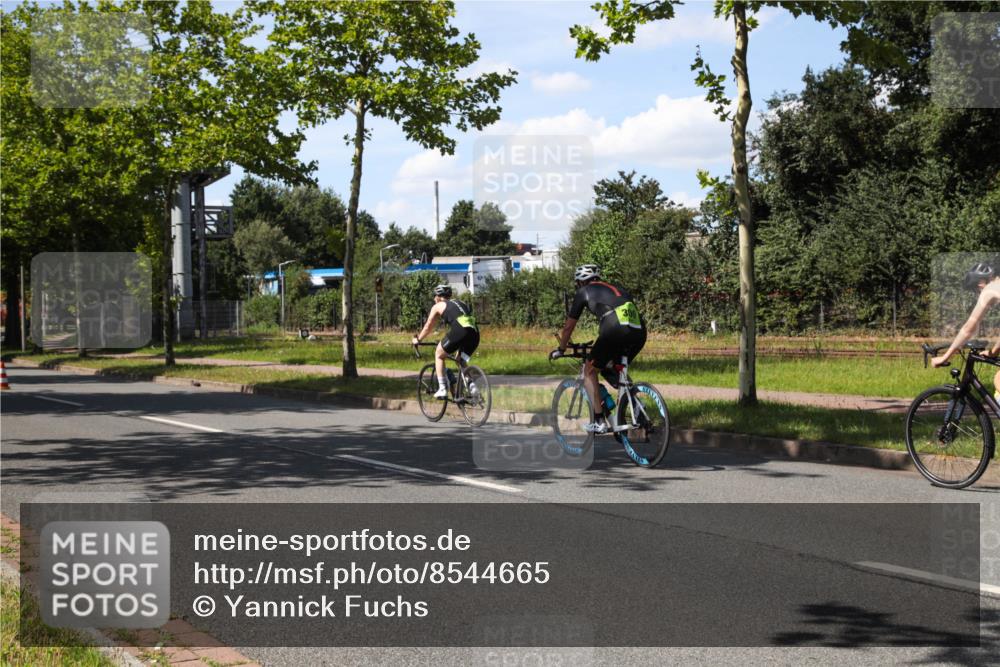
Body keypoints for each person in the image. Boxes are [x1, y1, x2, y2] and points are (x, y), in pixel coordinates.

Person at [552, 264, 647, 433]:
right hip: (639, 331)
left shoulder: (584, 292)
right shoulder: (618, 289)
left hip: (614, 328)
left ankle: (599, 420)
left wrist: (561, 348)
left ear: (581, 282)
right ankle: (635, 404)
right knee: (611, 367)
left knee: (589, 370)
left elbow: (569, 327)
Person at [932, 262, 1000, 399]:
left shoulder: (990, 289)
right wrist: (994, 352)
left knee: (999, 382)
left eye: (976, 290)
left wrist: (945, 357)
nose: (978, 293)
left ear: (981, 283)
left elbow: (969, 328)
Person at [412, 284, 480, 399]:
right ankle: (472, 387)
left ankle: (442, 388)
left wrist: (418, 339)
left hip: (460, 331)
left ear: (438, 296)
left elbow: (429, 326)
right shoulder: (461, 302)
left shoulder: (438, 306)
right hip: (475, 334)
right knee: (460, 360)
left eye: (434, 296)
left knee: (439, 354)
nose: (434, 299)